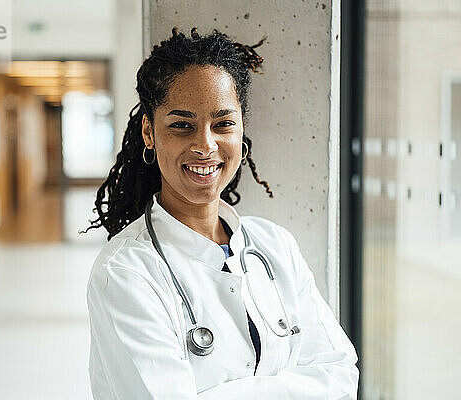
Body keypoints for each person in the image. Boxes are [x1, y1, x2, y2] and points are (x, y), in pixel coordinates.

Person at [82, 27, 359, 399]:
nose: (205, 145)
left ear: (241, 129)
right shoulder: (126, 272)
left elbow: (340, 373)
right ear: (149, 132)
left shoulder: (275, 245)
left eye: (223, 123)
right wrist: (295, 385)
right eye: (182, 125)